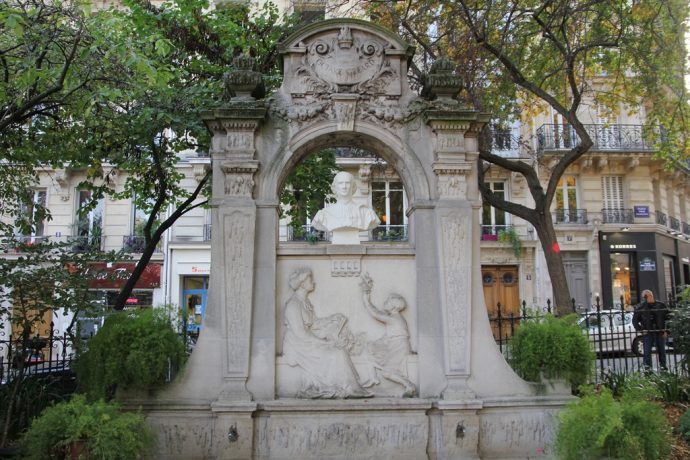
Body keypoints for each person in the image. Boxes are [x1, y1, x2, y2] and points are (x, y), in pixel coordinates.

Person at [282, 268, 372, 398]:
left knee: (338, 350)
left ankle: (351, 387)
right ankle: (346, 388)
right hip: (297, 344)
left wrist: (332, 318)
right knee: (336, 353)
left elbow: (314, 323)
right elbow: (300, 332)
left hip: (306, 340)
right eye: (310, 280)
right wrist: (324, 343)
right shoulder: (293, 304)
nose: (313, 282)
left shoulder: (305, 302)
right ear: (302, 284)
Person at [359, 273, 416, 397]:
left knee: (387, 372)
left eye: (388, 301)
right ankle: (373, 378)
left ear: (394, 306)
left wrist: (365, 297)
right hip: (393, 343)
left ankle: (408, 385)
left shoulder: (395, 318)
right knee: (369, 348)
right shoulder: (394, 317)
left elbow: (375, 313)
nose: (385, 302)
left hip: (398, 346)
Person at [312, 171, 380, 235]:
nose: (344, 186)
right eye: (340, 183)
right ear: (335, 187)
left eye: (347, 183)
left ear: (353, 186)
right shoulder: (324, 214)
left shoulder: (365, 212)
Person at [632, 289, 669, 371]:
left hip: (660, 331)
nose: (644, 299)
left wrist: (667, 331)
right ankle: (647, 370)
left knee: (662, 351)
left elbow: (668, 318)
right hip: (648, 332)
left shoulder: (661, 305)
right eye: (643, 297)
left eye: (645, 297)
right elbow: (635, 321)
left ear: (651, 295)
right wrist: (641, 330)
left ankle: (663, 368)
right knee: (647, 352)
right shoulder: (641, 307)